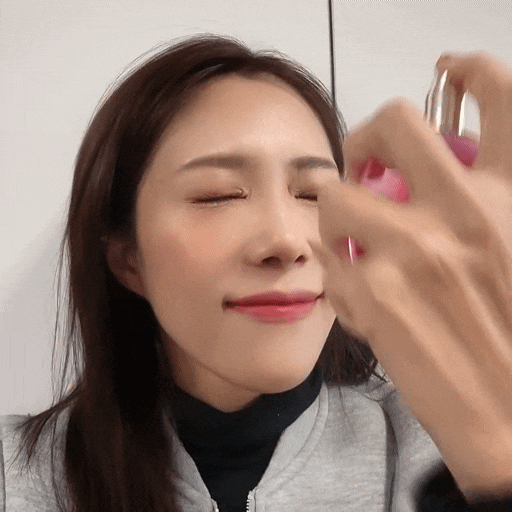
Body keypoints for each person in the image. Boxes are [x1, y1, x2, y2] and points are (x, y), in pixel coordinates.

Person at [1, 34, 511, 512]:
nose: (287, 243)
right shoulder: (15, 475)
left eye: (313, 194)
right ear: (128, 259)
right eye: (218, 195)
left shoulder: (443, 441)